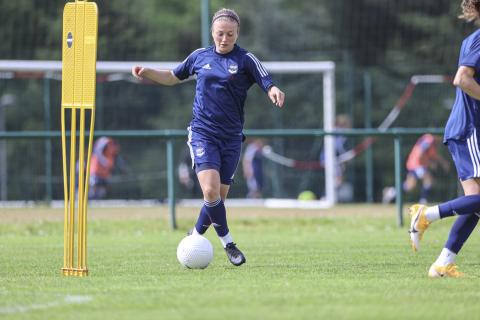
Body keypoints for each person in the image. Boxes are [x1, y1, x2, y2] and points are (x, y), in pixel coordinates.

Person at [132, 8, 285, 266]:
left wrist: (273, 89)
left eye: (229, 34)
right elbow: (172, 77)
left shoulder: (246, 59)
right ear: (212, 33)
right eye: (219, 34)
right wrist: (147, 72)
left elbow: (265, 79)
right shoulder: (199, 57)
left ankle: (195, 236)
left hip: (232, 137)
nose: (224, 38)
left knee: (216, 199)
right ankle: (229, 244)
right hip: (203, 133)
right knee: (211, 189)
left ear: (237, 34)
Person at [409, 0, 480, 278]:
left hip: (469, 130)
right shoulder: (477, 40)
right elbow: (462, 79)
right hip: (470, 129)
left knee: (474, 203)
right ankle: (426, 215)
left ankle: (442, 264)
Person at [403, 134, 449, 204]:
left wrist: (443, 162)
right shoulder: (429, 139)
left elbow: (434, 155)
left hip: (415, 164)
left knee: (410, 186)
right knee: (429, 180)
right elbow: (420, 154)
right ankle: (423, 200)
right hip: (416, 164)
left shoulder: (434, 143)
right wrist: (430, 163)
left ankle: (391, 192)